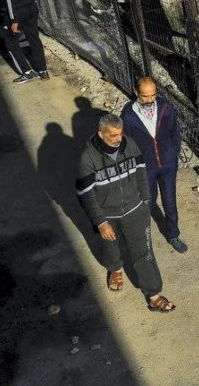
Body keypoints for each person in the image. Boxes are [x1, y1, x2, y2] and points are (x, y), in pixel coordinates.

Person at [75, 113, 176, 313]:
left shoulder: (130, 145)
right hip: (107, 216)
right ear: (101, 134)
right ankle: (115, 269)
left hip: (135, 210)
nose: (117, 139)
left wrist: (145, 200)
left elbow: (141, 172)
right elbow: (85, 194)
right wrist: (100, 222)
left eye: (119, 134)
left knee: (144, 252)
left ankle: (153, 294)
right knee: (111, 246)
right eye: (112, 135)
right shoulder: (88, 158)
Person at [121, 76, 187, 253]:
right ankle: (143, 237)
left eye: (152, 95)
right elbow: (126, 143)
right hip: (145, 167)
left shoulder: (165, 108)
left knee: (170, 202)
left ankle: (173, 234)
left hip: (167, 165)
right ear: (136, 93)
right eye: (145, 96)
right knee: (147, 201)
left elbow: (175, 132)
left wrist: (172, 153)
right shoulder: (128, 115)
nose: (150, 100)